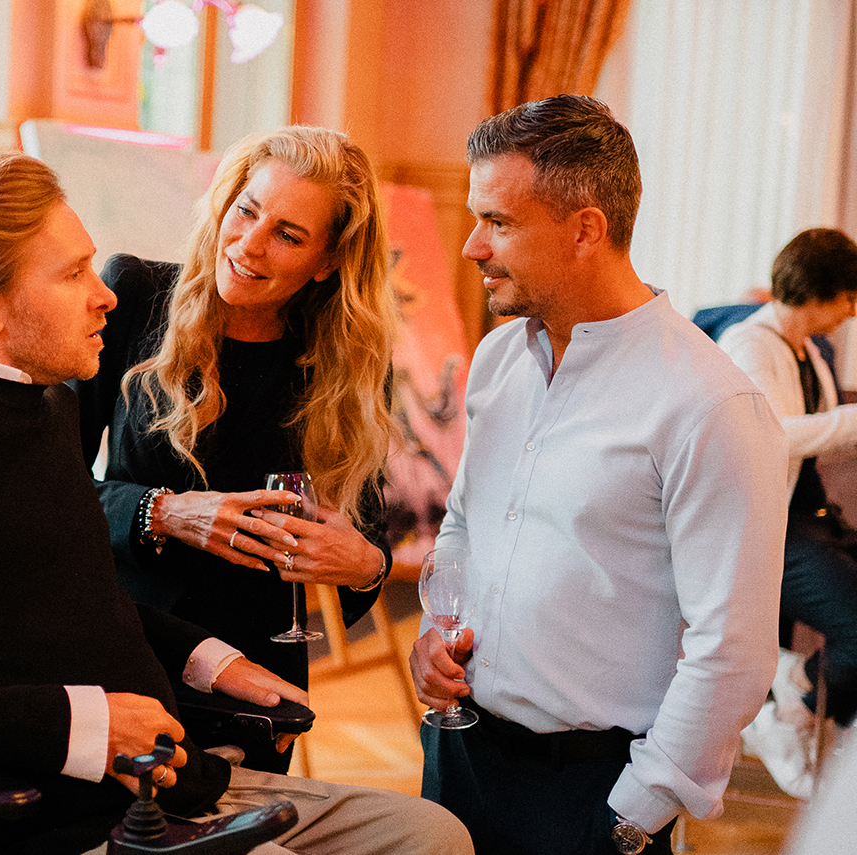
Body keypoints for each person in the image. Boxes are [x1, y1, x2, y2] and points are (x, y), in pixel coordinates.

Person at [0, 150, 473, 855]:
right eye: (74, 274)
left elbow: (76, 602)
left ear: (327, 261)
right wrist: (88, 724)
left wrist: (208, 657)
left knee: (434, 834)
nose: (106, 294)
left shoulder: (42, 413)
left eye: (287, 233)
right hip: (72, 815)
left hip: (169, 780)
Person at [407, 94, 789, 855]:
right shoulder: (497, 358)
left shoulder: (710, 403)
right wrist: (432, 632)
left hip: (593, 793)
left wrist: (632, 816)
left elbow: (733, 649)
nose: (472, 246)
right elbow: (466, 525)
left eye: (499, 222)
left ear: (586, 229)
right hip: (459, 753)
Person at [70, 126, 396, 773]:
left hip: (259, 670)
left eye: (288, 235)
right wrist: (163, 511)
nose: (248, 243)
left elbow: (366, 536)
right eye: (247, 210)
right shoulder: (134, 295)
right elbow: (49, 488)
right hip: (128, 641)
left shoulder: (349, 364)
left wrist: (366, 565)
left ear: (327, 261)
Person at [717, 228, 857, 798]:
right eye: (848, 297)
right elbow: (771, 435)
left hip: (804, 519)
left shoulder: (808, 350)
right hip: (761, 530)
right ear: (818, 292)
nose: (852, 311)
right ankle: (789, 711)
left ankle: (796, 678)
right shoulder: (749, 344)